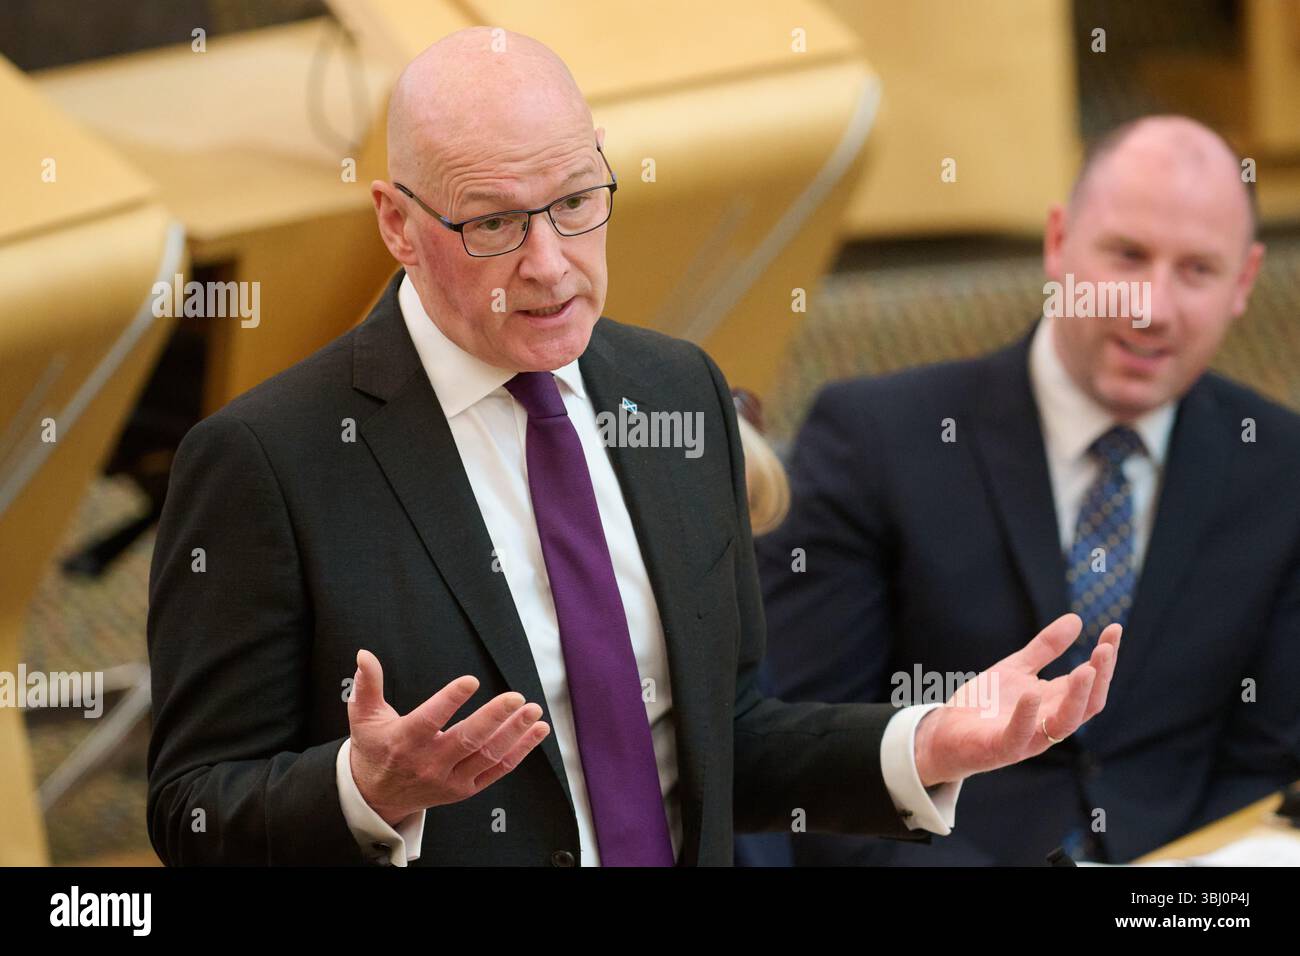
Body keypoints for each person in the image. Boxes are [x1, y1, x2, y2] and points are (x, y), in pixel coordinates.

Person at [145, 28, 1119, 866]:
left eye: (576, 201)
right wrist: (363, 787)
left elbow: (728, 735)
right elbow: (192, 806)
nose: (549, 263)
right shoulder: (267, 459)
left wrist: (927, 742)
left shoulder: (677, 392)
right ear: (397, 222)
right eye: (493, 222)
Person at [758, 115, 1300, 865]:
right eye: (1127, 255)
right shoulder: (874, 440)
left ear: (1244, 283)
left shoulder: (1281, 467)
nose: (1151, 306)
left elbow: (1264, 767)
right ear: (1057, 244)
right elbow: (806, 761)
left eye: (1198, 270)